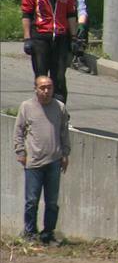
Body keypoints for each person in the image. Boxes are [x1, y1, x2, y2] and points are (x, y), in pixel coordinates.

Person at [13, 76, 70, 244]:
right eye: (43, 87)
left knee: (52, 202)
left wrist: (65, 154)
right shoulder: (26, 107)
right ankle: (30, 233)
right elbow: (18, 131)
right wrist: (21, 152)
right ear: (36, 89)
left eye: (49, 88)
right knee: (31, 201)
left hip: (54, 161)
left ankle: (48, 234)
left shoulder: (59, 108)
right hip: (34, 162)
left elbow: (64, 133)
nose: (46, 91)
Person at [22, 0, 79, 103]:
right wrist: (27, 38)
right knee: (41, 77)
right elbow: (27, 13)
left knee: (59, 79)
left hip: (61, 37)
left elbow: (71, 13)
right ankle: (41, 109)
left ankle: (59, 112)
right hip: (40, 37)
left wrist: (74, 37)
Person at [70, 0, 91, 74]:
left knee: (84, 24)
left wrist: (81, 26)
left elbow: (82, 13)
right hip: (55, 27)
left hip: (71, 26)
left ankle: (78, 57)